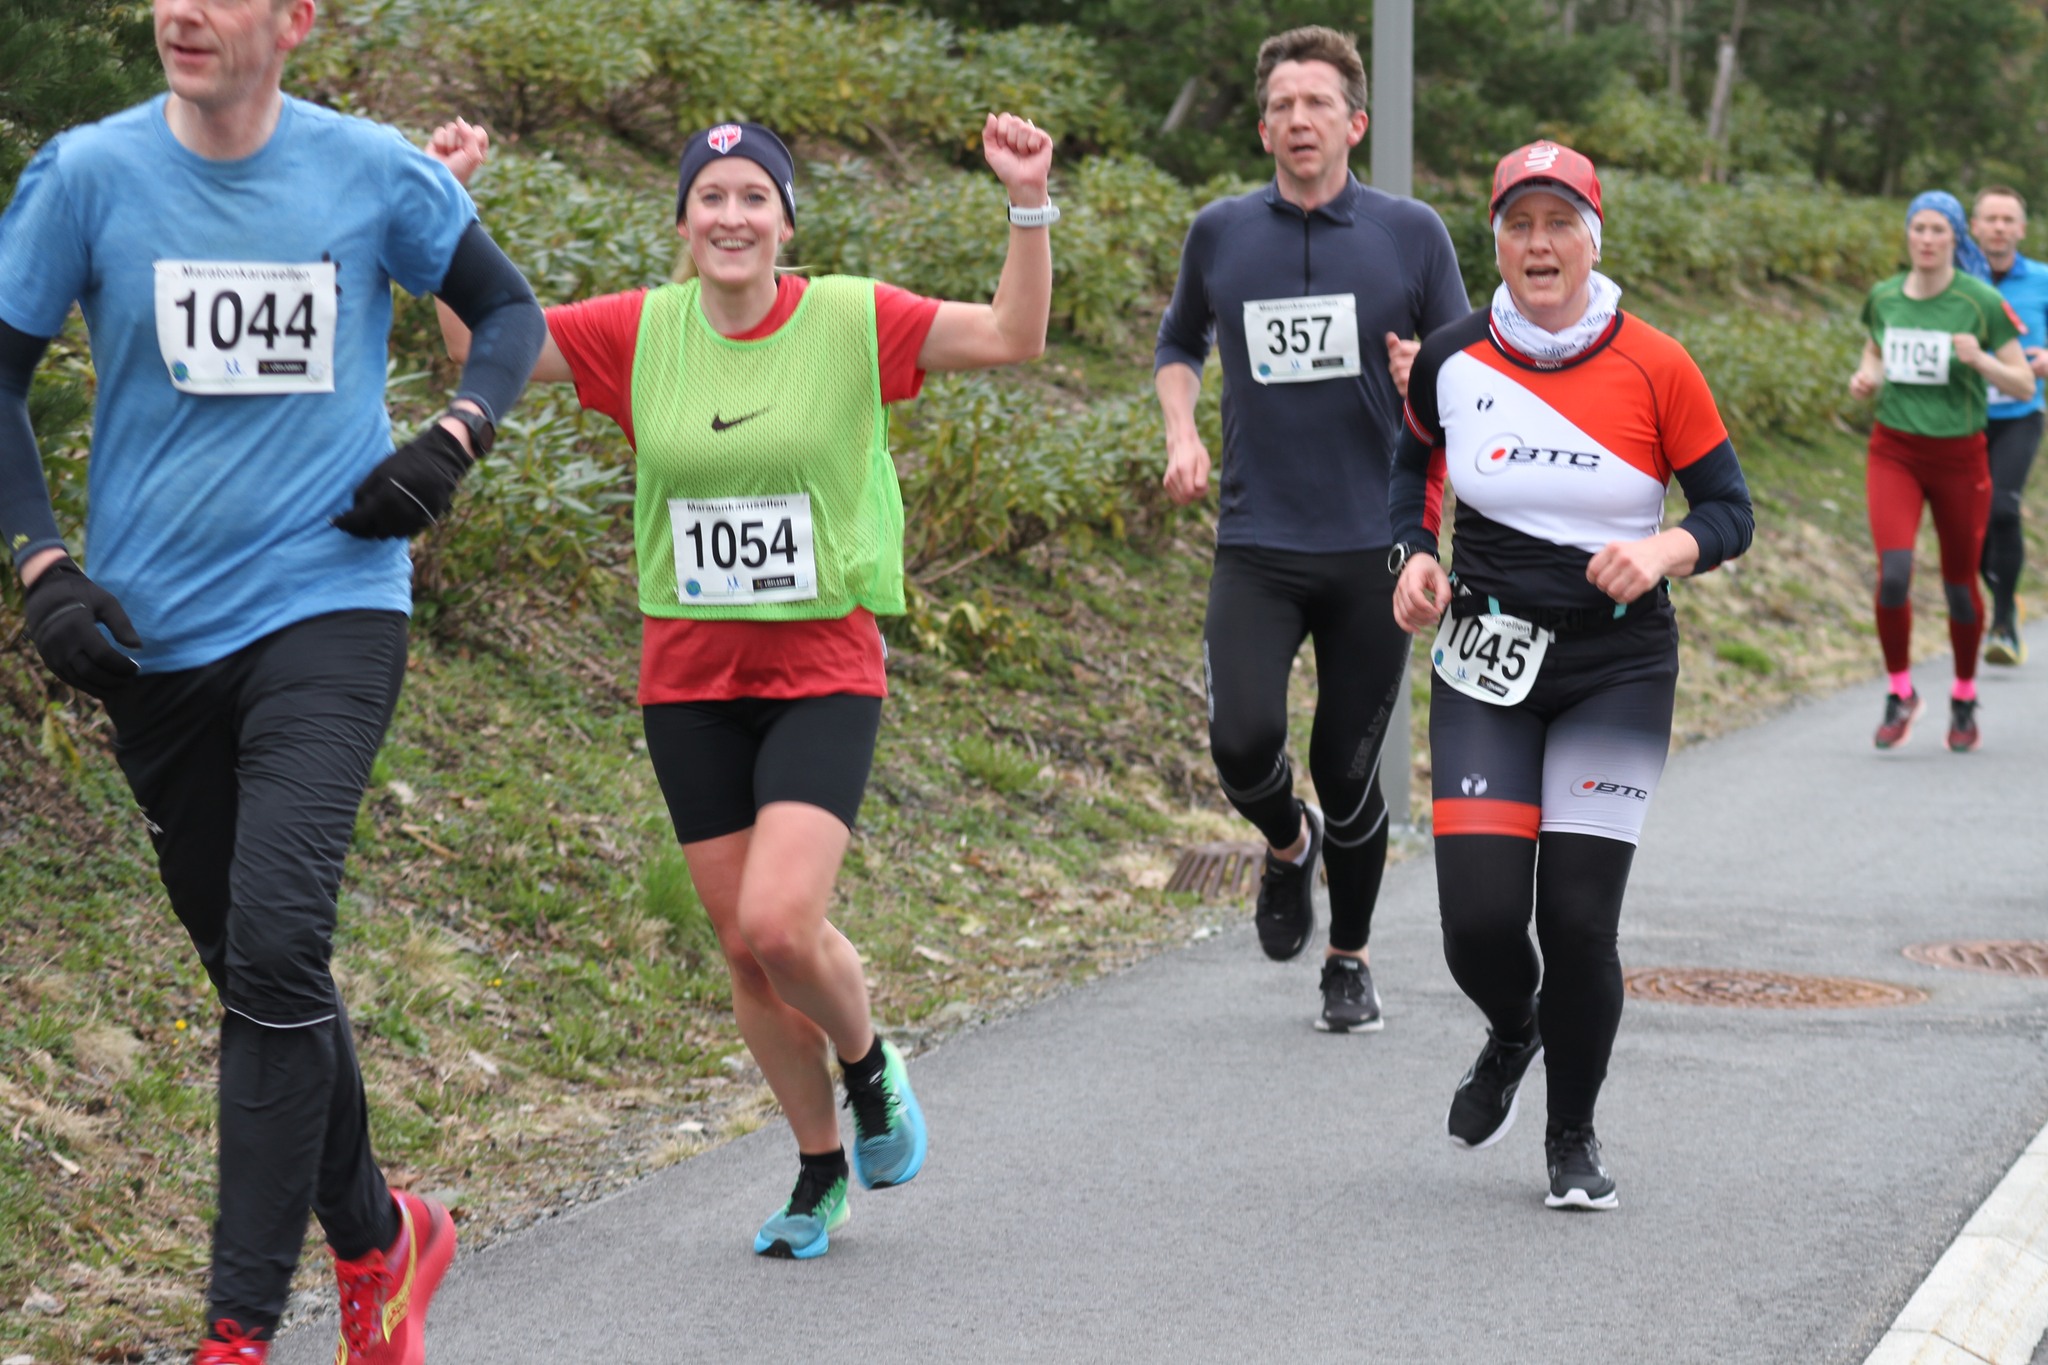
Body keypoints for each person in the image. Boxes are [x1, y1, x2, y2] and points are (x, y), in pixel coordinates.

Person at [0, 1, 546, 1360]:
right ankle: (380, 1236)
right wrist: (43, 566)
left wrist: (453, 438)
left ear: (295, 18)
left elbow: (507, 311)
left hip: (331, 603)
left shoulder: (371, 173)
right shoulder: (88, 176)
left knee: (279, 939)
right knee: (256, 968)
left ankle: (236, 1332)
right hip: (153, 640)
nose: (183, 11)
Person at [432, 111, 1052, 1259]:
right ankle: (818, 1170)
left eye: (752, 197)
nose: (730, 216)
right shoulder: (640, 330)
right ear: (682, 222)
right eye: (709, 198)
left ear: (784, 222)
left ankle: (867, 1062)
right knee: (741, 951)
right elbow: (484, 338)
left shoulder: (852, 319)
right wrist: (447, 208)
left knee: (779, 922)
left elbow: (1014, 335)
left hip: (819, 667)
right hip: (689, 679)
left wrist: (1026, 202)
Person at [1388, 141, 1753, 1210]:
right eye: (1518, 225)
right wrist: (1409, 556)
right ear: (1495, 240)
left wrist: (1663, 550)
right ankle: (1515, 1027)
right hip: (1487, 659)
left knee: (1579, 923)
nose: (1538, 244)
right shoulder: (1452, 357)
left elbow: (1729, 510)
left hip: (1615, 663)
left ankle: (1571, 1136)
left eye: (1559, 224)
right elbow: (1412, 466)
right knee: (1480, 924)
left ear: (1593, 238)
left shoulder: (1657, 363)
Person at [1154, 25, 1468, 1033]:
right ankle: (1290, 845)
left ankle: (1349, 957)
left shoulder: (1409, 232)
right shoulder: (1219, 232)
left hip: (1374, 544)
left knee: (1346, 767)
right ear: (1262, 129)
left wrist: (1430, 372)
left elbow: (1471, 365)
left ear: (1354, 123)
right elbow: (1178, 341)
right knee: (1240, 741)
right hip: (1257, 538)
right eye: (1282, 106)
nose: (1299, 119)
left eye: (1317, 103)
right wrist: (1181, 432)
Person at [1848, 191, 2034, 751]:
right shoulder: (1884, 296)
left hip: (1960, 458)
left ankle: (1964, 694)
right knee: (1894, 574)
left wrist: (1981, 359)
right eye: (1919, 229)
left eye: (1938, 231)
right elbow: (1874, 349)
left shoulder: (1979, 301)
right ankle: (1900, 692)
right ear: (1908, 234)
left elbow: (2024, 382)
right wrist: (1867, 376)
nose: (1927, 240)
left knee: (1959, 585)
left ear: (1956, 238)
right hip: (1895, 453)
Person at [1968, 186, 2048, 665]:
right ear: (1974, 227)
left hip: (2020, 414)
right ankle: (2004, 594)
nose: (1999, 228)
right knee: (1970, 524)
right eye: (1991, 219)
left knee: (2003, 507)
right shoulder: (1956, 280)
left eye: (2008, 220)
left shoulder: (2042, 280)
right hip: (1963, 418)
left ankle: (2002, 625)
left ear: (2021, 228)